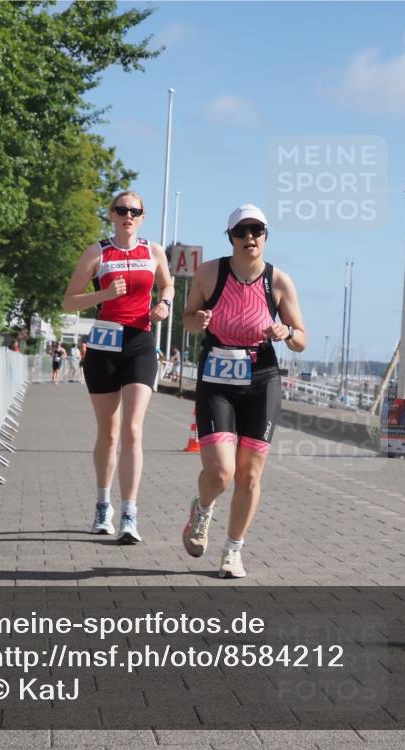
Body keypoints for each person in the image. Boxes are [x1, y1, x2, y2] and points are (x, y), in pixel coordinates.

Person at [181, 204, 306, 578]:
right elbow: (188, 320)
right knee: (221, 472)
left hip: (261, 376)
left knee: (249, 475)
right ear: (231, 237)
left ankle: (233, 550)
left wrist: (287, 334)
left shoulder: (279, 281)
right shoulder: (209, 274)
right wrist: (198, 319)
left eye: (258, 231)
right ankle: (201, 510)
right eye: (242, 232)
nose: (250, 238)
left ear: (266, 236)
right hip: (217, 374)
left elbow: (302, 338)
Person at [62, 191, 173, 544]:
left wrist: (165, 304)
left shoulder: (153, 252)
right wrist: (104, 295)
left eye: (135, 211)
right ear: (111, 214)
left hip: (140, 343)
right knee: (108, 433)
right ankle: (102, 504)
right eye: (122, 210)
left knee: (133, 431)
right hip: (104, 346)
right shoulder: (97, 253)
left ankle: (129, 514)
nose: (128, 215)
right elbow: (68, 301)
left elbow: (167, 284)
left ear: (142, 217)